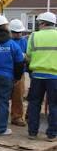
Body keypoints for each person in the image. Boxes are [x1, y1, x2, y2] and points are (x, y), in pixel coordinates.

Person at [26, 12, 57, 141]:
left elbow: (28, 56)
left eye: (39, 23)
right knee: (54, 105)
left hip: (37, 76)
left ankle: (33, 133)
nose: (38, 25)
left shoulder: (34, 36)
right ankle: (52, 134)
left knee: (34, 104)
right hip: (54, 77)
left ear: (43, 23)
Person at [9, 19, 27, 126]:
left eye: (20, 32)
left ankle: (17, 116)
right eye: (16, 32)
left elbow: (28, 54)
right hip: (7, 71)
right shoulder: (6, 41)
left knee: (18, 95)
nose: (18, 34)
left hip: (20, 72)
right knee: (2, 95)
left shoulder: (24, 41)